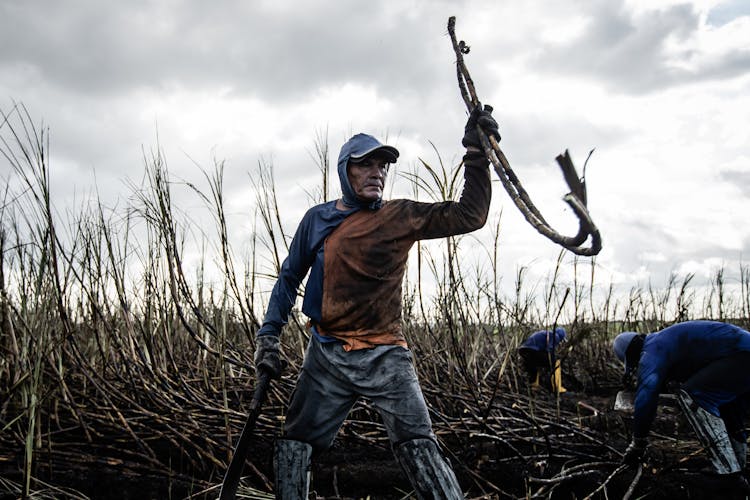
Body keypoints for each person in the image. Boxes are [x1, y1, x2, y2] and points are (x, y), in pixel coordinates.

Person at [253, 105, 499, 499]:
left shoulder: (399, 216)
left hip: (385, 354)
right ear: (345, 171)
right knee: (295, 443)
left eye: (382, 165)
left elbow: (470, 215)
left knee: (419, 443)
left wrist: (476, 153)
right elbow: (288, 277)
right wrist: (269, 338)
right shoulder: (317, 220)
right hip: (327, 354)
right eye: (365, 164)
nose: (377, 172)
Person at [612, 320, 750, 484]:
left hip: (741, 355)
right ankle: (738, 466)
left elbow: (647, 394)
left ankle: (726, 471)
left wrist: (638, 442)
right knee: (727, 405)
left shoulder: (651, 350)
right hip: (742, 354)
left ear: (632, 355)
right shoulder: (663, 340)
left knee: (695, 395)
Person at [517, 327, 567, 393]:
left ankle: (534, 384)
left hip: (523, 350)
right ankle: (557, 387)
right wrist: (553, 358)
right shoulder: (556, 336)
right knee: (556, 362)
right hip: (533, 351)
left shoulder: (546, 333)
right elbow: (549, 349)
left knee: (535, 364)